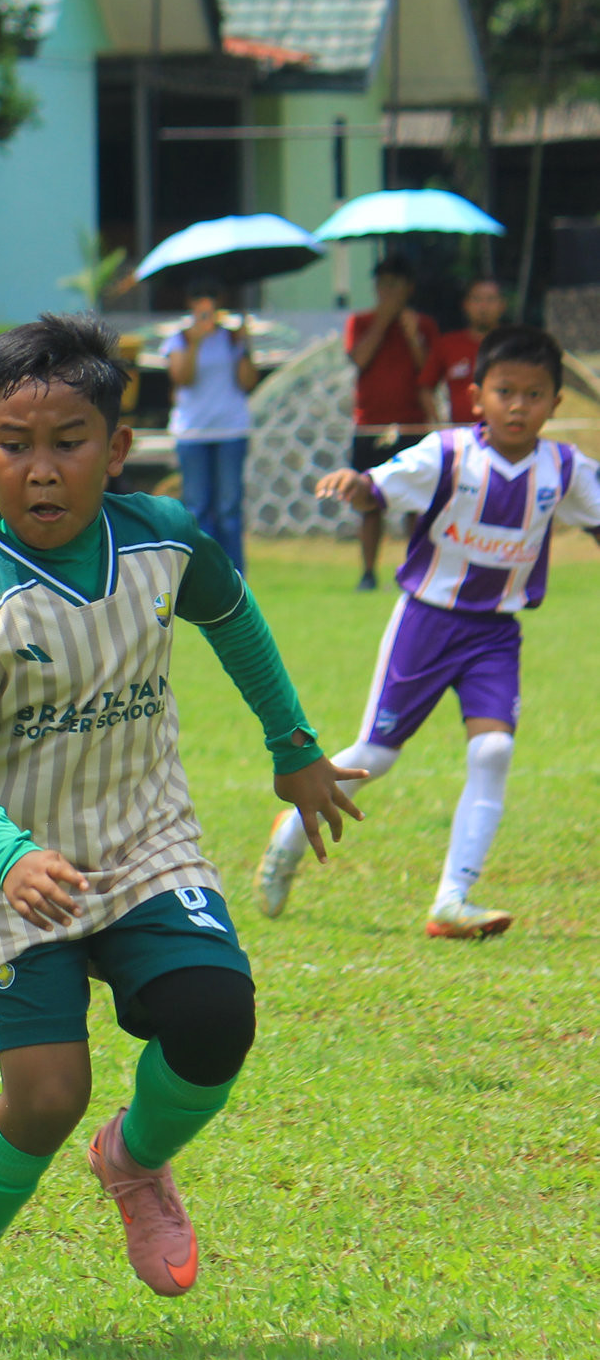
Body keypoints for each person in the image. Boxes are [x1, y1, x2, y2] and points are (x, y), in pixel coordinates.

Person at [0, 314, 364, 1351]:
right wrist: (9, 853)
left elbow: (233, 614)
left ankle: (136, 1159)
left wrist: (291, 743)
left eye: (68, 440)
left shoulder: (163, 538)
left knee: (214, 1015)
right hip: (11, 863)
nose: (39, 469)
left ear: (114, 450)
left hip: (143, 835)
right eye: (12, 445)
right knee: (45, 1093)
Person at [256, 325, 600, 940]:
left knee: (493, 751)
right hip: (427, 623)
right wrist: (355, 486)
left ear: (554, 404)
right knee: (376, 757)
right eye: (504, 391)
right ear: (477, 397)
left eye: (534, 394)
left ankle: (452, 900)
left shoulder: (565, 470)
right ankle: (288, 837)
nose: (518, 405)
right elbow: (378, 488)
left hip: (495, 634)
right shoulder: (446, 454)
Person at [344, 257, 438, 592]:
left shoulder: (423, 324)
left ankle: (414, 571)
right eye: (384, 286)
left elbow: (429, 372)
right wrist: (383, 322)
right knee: (370, 502)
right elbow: (358, 359)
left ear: (409, 288)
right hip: (370, 425)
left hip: (413, 425)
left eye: (396, 286)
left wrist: (412, 336)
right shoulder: (361, 321)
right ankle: (368, 573)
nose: (389, 293)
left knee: (415, 503)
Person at [160, 276, 260, 572]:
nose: (206, 304)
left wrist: (244, 345)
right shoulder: (179, 339)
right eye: (199, 297)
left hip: (231, 429)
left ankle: (235, 575)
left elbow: (248, 382)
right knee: (198, 508)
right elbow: (182, 378)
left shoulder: (230, 338)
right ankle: (205, 573)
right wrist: (196, 342)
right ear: (190, 303)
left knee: (229, 508)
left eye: (211, 296)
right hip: (193, 432)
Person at [420, 277, 507, 427]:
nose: (483, 306)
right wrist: (441, 427)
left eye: (490, 299)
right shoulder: (448, 344)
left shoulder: (515, 344)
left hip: (506, 435)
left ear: (502, 305)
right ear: (465, 305)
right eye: (477, 299)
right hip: (461, 436)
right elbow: (425, 388)